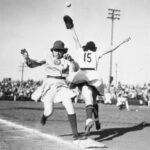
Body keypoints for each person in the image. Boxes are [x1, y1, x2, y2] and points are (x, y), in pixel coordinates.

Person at [20, 40, 85, 140]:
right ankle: (44, 117)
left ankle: (75, 134)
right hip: (49, 84)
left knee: (69, 105)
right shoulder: (47, 57)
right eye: (56, 50)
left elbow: (76, 68)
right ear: (53, 51)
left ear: (64, 51)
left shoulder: (67, 59)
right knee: (49, 111)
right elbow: (34, 64)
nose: (58, 52)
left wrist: (72, 60)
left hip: (62, 84)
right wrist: (27, 59)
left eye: (60, 50)